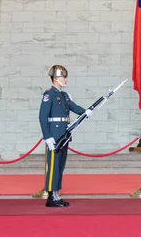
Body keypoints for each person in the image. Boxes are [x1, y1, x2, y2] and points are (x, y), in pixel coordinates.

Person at [39, 65, 92, 208]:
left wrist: (86, 111)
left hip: (64, 134)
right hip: (54, 136)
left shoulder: (64, 96)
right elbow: (43, 116)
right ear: (56, 78)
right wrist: (47, 136)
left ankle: (56, 193)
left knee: (60, 165)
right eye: (63, 77)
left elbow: (74, 107)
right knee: (54, 166)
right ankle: (51, 195)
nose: (65, 79)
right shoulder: (49, 94)